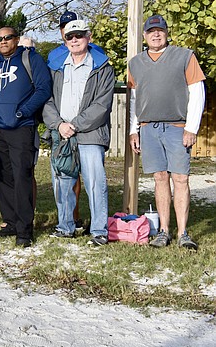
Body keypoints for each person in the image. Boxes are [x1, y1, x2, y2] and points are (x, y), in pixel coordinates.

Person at [128, 15, 206, 250]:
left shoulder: (184, 56)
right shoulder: (135, 63)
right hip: (148, 128)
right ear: (144, 36)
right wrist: (133, 130)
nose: (156, 34)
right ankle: (164, 231)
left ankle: (183, 233)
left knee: (180, 178)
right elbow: (135, 99)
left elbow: (197, 92)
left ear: (166, 33)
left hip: (177, 127)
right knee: (160, 177)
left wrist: (191, 128)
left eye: (160, 30)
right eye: (151, 31)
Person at [43, 20, 114, 246]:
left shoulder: (102, 67)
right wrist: (58, 125)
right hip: (62, 133)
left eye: (79, 35)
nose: (74, 40)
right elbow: (46, 99)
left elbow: (102, 105)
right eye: (70, 36)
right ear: (65, 40)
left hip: (90, 134)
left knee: (95, 183)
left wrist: (74, 125)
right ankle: (65, 227)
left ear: (88, 37)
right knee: (62, 183)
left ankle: (99, 231)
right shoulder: (55, 67)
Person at [0, 26, 52, 247]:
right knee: (1, 175)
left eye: (8, 37)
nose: (3, 41)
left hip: (22, 127)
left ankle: (24, 230)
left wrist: (23, 112)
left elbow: (43, 89)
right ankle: (11, 222)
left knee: (22, 176)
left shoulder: (30, 59)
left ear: (16, 39)